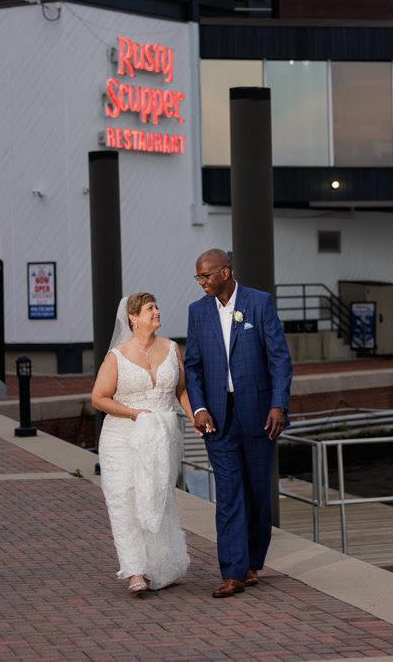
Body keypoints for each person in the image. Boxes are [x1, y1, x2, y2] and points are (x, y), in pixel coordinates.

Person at [184, 249, 293, 598]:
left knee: (258, 493)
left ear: (226, 272)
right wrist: (199, 408)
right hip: (217, 419)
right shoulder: (197, 312)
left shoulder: (258, 304)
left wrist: (278, 404)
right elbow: (193, 367)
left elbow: (279, 359)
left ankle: (251, 563)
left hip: (259, 414)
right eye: (198, 276)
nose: (201, 282)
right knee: (229, 493)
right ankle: (232, 572)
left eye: (206, 275)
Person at [91, 292, 192, 596]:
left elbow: (182, 391)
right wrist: (133, 413)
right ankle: (135, 570)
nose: (157, 311)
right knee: (125, 500)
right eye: (150, 308)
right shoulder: (117, 356)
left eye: (157, 307)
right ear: (133, 318)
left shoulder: (172, 348)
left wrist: (197, 419)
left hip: (161, 437)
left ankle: (160, 564)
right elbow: (98, 398)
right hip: (121, 437)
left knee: (157, 499)